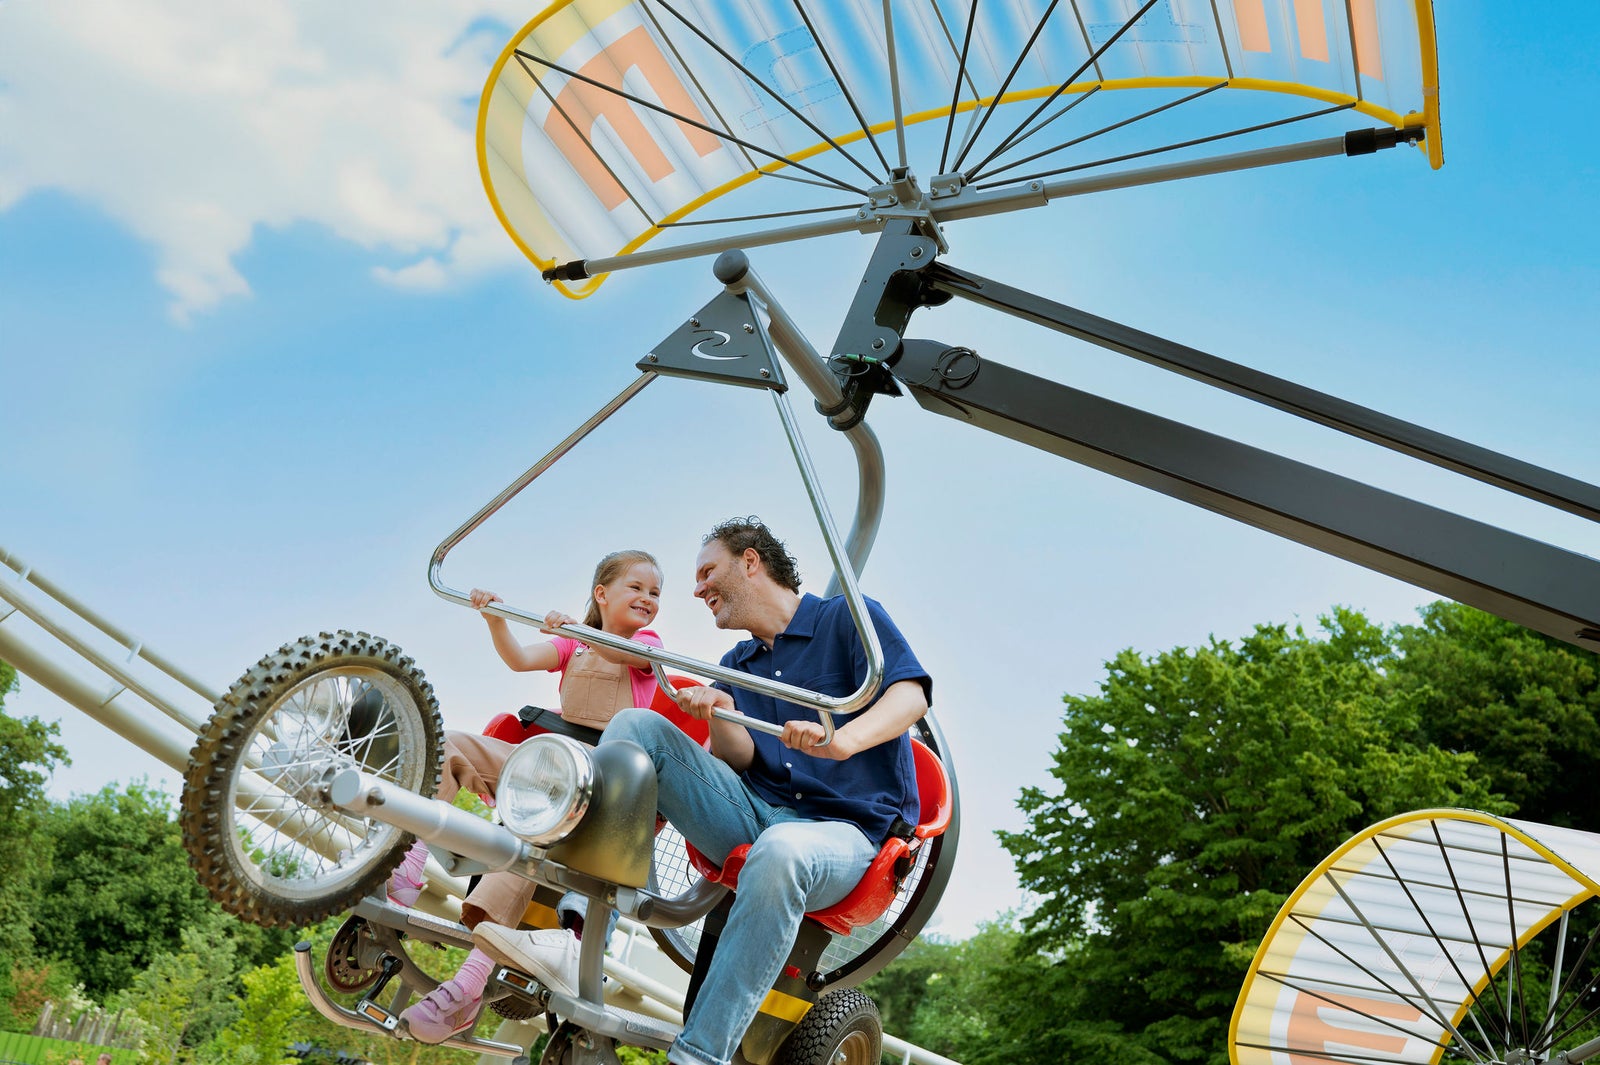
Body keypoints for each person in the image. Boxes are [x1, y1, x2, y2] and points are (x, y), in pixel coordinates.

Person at [473, 518, 930, 1065]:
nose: (695, 589)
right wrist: (724, 716)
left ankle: (698, 1056)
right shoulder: (737, 665)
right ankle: (577, 932)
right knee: (636, 729)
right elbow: (738, 758)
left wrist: (843, 740)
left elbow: (910, 694)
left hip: (848, 836)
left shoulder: (845, 620)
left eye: (707, 572)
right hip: (759, 813)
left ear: (751, 562)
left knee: (781, 852)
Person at [397, 549, 666, 1044]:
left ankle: (467, 988)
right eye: (637, 588)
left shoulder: (646, 646)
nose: (648, 599)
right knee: (453, 742)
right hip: (546, 768)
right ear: (601, 594)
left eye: (655, 593)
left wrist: (580, 632)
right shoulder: (574, 647)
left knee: (525, 842)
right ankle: (408, 861)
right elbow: (521, 658)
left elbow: (628, 654)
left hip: (600, 787)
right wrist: (495, 620)